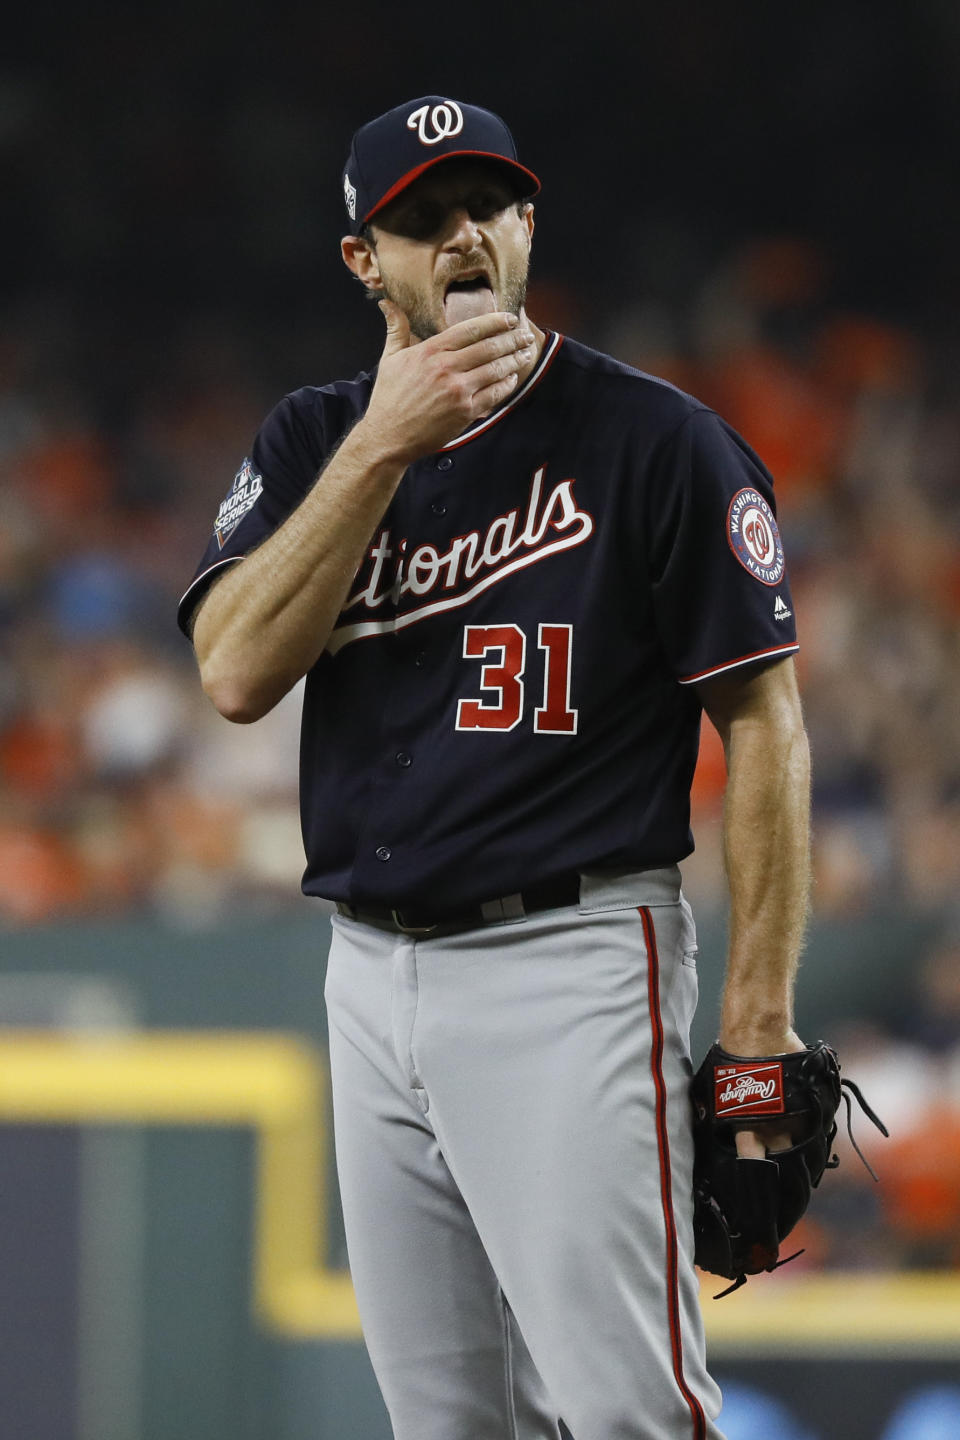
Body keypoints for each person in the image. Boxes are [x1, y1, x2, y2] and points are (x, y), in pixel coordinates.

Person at [178, 96, 811, 1440]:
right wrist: (383, 445)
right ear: (367, 258)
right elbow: (234, 674)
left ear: (528, 224)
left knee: (630, 1408)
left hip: (570, 959)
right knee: (449, 1421)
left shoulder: (654, 441)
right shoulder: (316, 440)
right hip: (368, 970)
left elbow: (765, 724)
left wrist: (757, 1018)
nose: (462, 235)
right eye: (422, 217)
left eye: (488, 206)